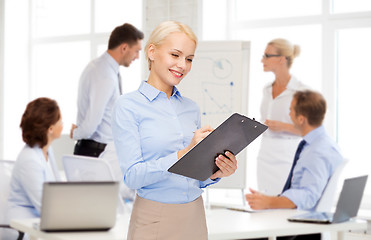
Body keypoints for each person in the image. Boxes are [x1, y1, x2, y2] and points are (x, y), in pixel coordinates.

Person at [112, 20, 238, 240]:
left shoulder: (191, 108)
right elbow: (132, 176)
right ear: (152, 51)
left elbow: (194, 178)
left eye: (189, 59)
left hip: (195, 217)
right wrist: (182, 154)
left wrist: (217, 172)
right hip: (154, 219)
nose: (183, 65)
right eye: (175, 55)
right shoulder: (128, 106)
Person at [246, 90, 343, 240]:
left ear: (301, 119)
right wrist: (268, 200)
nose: (289, 114)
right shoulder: (320, 144)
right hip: (297, 223)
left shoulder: (317, 151)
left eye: (291, 109)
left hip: (299, 230)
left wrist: (269, 202)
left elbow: (308, 195)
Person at [70, 23, 144, 157]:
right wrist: (76, 133)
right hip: (95, 153)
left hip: (97, 151)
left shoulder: (101, 68)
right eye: (137, 50)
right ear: (124, 47)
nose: (138, 56)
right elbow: (92, 122)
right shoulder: (105, 75)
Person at [4, 97, 63, 240]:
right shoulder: (29, 159)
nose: (63, 124)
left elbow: (57, 191)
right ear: (50, 129)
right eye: (60, 121)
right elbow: (45, 206)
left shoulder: (46, 151)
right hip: (22, 228)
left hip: (38, 224)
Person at [256, 38, 309, 195]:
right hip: (265, 155)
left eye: (267, 55)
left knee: (285, 202)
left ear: (281, 59)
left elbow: (311, 129)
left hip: (288, 156)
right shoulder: (266, 89)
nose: (262, 60)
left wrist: (283, 126)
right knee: (265, 203)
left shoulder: (300, 91)